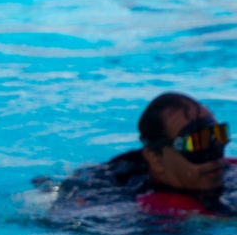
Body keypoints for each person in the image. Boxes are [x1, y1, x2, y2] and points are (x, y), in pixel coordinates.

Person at [52, 91, 234, 220]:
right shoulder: (130, 210)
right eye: (196, 143)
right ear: (156, 158)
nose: (214, 153)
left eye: (218, 135)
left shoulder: (229, 174)